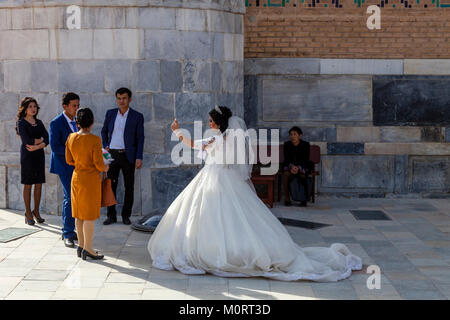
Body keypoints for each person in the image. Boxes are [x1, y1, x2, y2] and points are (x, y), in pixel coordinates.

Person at [147, 106, 362, 282]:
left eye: (212, 120)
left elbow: (195, 145)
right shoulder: (227, 137)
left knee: (220, 216)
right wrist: (179, 132)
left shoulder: (219, 139)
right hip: (222, 178)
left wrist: (177, 131)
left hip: (217, 177)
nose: (209, 123)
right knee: (221, 216)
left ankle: (220, 251)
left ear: (219, 122)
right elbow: (206, 147)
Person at [66, 108, 108, 260]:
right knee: (89, 215)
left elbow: (69, 160)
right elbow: (98, 164)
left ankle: (82, 246)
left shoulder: (71, 137)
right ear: (92, 122)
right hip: (90, 180)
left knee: (79, 215)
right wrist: (106, 166)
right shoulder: (95, 140)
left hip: (76, 178)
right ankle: (89, 249)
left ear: (77, 122)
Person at [101, 88, 144, 226]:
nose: (121, 101)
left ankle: (126, 215)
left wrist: (139, 157)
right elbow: (104, 131)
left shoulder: (137, 116)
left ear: (129, 99)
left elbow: (140, 138)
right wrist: (106, 145)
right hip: (112, 155)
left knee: (129, 186)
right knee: (110, 185)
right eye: (119, 98)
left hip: (128, 155)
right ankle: (111, 215)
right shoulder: (110, 113)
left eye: (124, 98)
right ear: (116, 99)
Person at [49, 92, 80, 248]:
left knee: (75, 197)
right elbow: (55, 147)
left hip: (77, 166)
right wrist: (73, 152)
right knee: (70, 197)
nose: (76, 108)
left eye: (77, 105)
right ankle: (67, 233)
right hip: (64, 165)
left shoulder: (77, 121)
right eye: (74, 106)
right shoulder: (56, 123)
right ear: (65, 106)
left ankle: (72, 229)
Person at [16, 97, 49, 225]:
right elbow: (26, 141)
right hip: (27, 156)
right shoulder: (21, 123)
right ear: (24, 108)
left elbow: (47, 138)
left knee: (39, 183)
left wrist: (38, 146)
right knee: (28, 184)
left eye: (34, 106)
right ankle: (28, 212)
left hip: (38, 155)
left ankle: (36, 210)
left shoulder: (39, 122)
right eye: (30, 106)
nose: (33, 109)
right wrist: (40, 141)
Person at [282, 126, 313, 207]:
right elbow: (287, 158)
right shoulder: (287, 145)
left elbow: (305, 159)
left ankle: (303, 199)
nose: (292, 136)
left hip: (302, 166)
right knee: (285, 174)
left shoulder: (305, 144)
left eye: (295, 134)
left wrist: (298, 167)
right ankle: (287, 199)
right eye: (291, 134)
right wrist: (292, 167)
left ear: (300, 135)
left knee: (303, 174)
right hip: (290, 166)